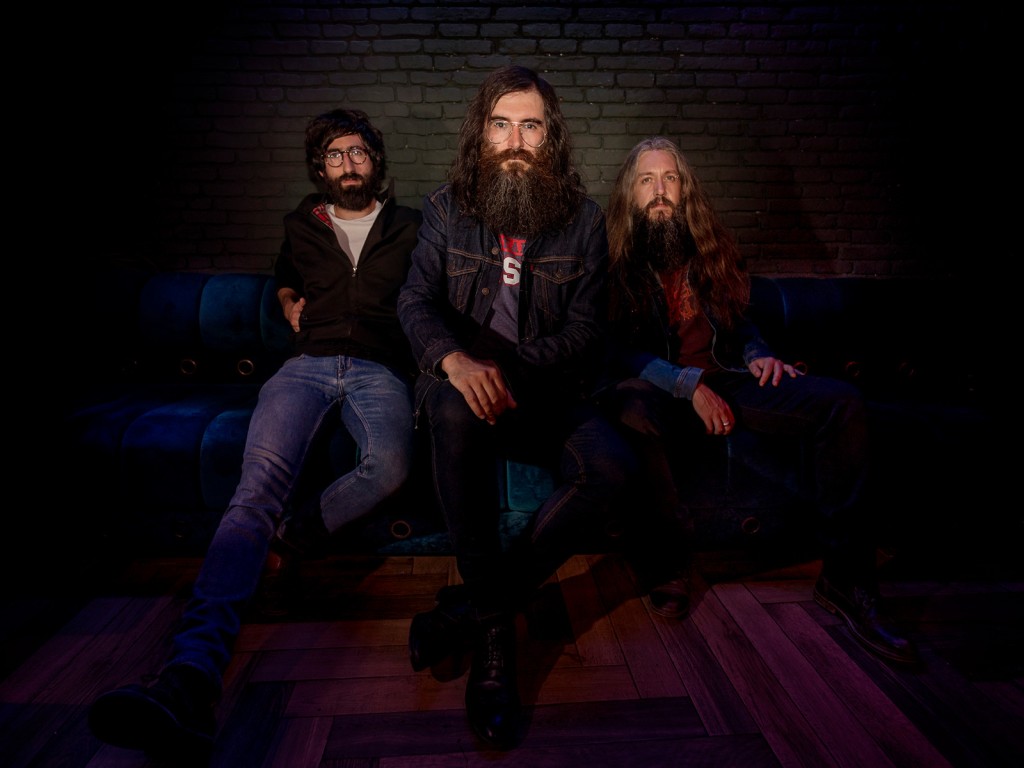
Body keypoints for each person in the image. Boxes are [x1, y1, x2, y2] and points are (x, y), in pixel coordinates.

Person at [87, 108, 423, 759]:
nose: (348, 164)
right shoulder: (303, 222)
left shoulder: (410, 226)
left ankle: (288, 538)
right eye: (335, 155)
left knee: (389, 466)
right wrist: (288, 298)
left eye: (358, 152)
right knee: (254, 492)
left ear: (375, 161)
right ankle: (188, 677)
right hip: (306, 367)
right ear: (320, 168)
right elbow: (285, 271)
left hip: (380, 369)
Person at [600, 136, 919, 664]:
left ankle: (847, 579)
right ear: (630, 194)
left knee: (841, 403)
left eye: (670, 178)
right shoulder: (611, 259)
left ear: (685, 189)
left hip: (724, 378)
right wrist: (687, 385)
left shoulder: (710, 248)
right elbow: (614, 351)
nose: (659, 191)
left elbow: (740, 322)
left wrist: (758, 355)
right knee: (631, 408)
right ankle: (668, 562)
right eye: (646, 180)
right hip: (656, 386)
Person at [396, 65, 635, 749]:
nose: (516, 141)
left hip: (544, 388)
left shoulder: (584, 221)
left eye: (531, 126)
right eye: (501, 124)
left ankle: (474, 608)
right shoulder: (446, 208)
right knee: (451, 410)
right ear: (482, 133)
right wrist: (454, 360)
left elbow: (587, 331)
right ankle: (498, 641)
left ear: (550, 137)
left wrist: (513, 368)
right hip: (460, 388)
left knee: (613, 468)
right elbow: (414, 301)